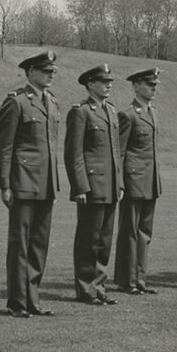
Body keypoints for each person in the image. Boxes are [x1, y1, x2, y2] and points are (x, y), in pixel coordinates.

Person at [0, 50, 61, 317]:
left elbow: (51, 147)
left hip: (45, 183)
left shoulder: (53, 103)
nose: (50, 75)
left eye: (52, 72)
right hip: (22, 182)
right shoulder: (17, 102)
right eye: (46, 71)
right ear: (31, 72)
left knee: (39, 244)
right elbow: (4, 145)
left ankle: (33, 299)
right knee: (20, 243)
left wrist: (53, 184)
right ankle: (17, 301)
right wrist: (4, 184)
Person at [64, 63, 123, 305]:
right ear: (90, 84)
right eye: (103, 81)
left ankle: (99, 286)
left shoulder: (110, 111)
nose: (108, 85)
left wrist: (119, 182)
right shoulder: (81, 112)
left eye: (109, 81)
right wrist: (80, 187)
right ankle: (85, 288)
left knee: (105, 240)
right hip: (91, 185)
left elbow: (115, 151)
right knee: (89, 239)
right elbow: (73, 153)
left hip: (109, 185)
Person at [114, 67, 162, 295]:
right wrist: (120, 182)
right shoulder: (128, 114)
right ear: (136, 86)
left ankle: (140, 279)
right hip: (133, 180)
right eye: (149, 85)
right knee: (130, 232)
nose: (154, 88)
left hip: (150, 180)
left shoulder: (153, 113)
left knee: (145, 233)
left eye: (155, 85)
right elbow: (120, 152)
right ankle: (127, 280)